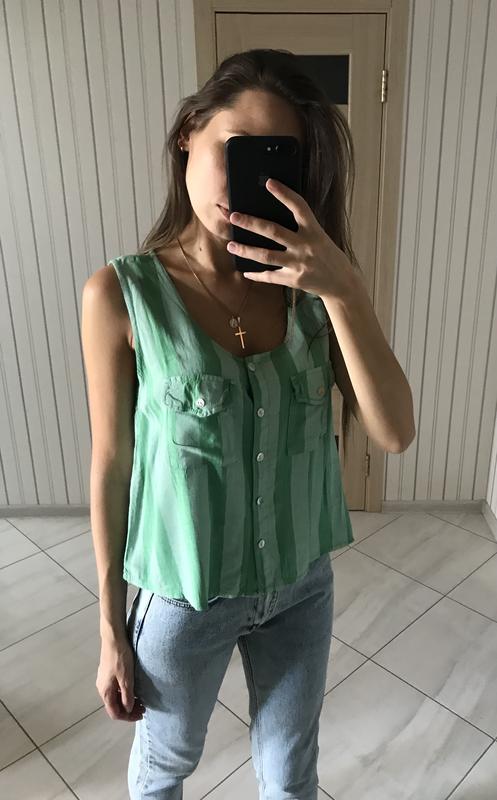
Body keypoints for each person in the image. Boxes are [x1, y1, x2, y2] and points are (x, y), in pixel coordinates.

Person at [81, 48, 388, 800]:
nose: (248, 184)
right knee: (165, 767)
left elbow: (393, 432)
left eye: (277, 163)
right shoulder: (121, 295)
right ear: (189, 132)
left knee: (290, 776)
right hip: (183, 595)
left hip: (300, 586)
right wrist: (111, 629)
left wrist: (346, 291)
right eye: (237, 150)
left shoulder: (313, 293)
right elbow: (113, 463)